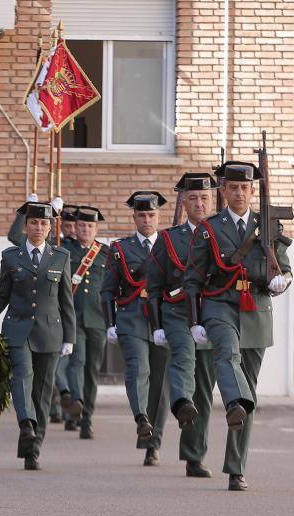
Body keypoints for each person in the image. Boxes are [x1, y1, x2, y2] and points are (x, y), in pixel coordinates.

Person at [183, 162, 291, 491]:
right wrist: (194, 321)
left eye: (244, 188)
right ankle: (234, 404)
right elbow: (192, 278)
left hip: (256, 309)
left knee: (249, 393)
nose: (239, 192)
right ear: (224, 191)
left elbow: (284, 268)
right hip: (220, 306)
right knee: (227, 357)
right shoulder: (210, 228)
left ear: (252, 191)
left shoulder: (268, 225)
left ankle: (236, 467)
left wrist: (281, 281)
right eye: (233, 187)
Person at [0, 202, 75, 471]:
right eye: (34, 223)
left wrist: (70, 337)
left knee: (43, 393)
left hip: (50, 332)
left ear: (50, 227)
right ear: (25, 226)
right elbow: (2, 296)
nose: (38, 227)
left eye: (44, 223)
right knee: (21, 376)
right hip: (18, 330)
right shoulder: (11, 256)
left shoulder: (61, 256)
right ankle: (26, 424)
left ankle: (33, 450)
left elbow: (66, 300)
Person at [146, 173, 219, 479]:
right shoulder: (168, 239)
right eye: (192, 198)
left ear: (213, 200)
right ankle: (180, 402)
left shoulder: (223, 233)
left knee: (204, 387)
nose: (199, 203)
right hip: (177, 312)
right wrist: (157, 325)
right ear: (183, 202)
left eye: (204, 198)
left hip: (213, 313)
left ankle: (193, 456)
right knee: (183, 360)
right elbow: (153, 284)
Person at [101, 191, 170, 467]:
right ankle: (141, 417)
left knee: (160, 385)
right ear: (134, 218)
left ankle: (153, 444)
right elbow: (107, 290)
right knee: (139, 369)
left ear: (158, 217)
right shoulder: (121, 249)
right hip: (132, 318)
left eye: (151, 215)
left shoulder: (170, 245)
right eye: (141, 215)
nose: (146, 220)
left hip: (163, 319)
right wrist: (110, 323)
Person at [63, 206, 110, 439]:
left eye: (90, 226)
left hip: (98, 319)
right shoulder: (65, 250)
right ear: (76, 227)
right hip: (74, 318)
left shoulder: (105, 253)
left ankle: (86, 419)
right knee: (76, 361)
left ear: (96, 229)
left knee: (92, 370)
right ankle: (77, 400)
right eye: (82, 225)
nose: (85, 229)